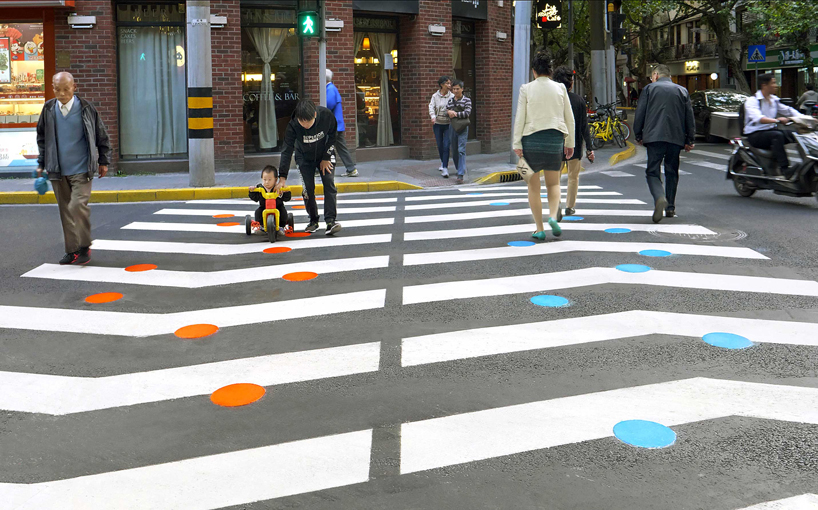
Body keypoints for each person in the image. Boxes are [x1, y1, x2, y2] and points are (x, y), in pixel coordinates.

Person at [36, 71, 110, 265]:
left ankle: (84, 246)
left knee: (77, 206)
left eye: (66, 89)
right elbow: (42, 138)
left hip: (82, 169)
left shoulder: (86, 108)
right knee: (65, 211)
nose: (61, 94)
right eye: (57, 89)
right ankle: (72, 251)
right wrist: (41, 163)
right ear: (53, 88)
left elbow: (101, 135)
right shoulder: (49, 109)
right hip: (57, 170)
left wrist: (103, 160)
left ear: (74, 88)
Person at [513, 50, 575, 241]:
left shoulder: (526, 89)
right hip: (554, 139)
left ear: (534, 71)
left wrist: (517, 142)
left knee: (533, 187)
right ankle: (552, 216)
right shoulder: (560, 89)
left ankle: (539, 228)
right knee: (554, 183)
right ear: (550, 70)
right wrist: (570, 142)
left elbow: (520, 117)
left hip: (531, 140)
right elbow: (569, 118)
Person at [634, 64, 695, 223]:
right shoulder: (682, 91)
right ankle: (670, 207)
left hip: (654, 138)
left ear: (655, 75)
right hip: (676, 138)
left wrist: (638, 134)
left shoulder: (649, 89)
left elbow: (640, 113)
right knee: (672, 171)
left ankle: (659, 197)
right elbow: (689, 116)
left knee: (652, 172)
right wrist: (690, 139)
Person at [275, 99, 341, 236]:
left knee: (329, 183)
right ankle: (313, 220)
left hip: (325, 154)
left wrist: (326, 158)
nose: (305, 125)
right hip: (304, 157)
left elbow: (333, 136)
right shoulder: (293, 125)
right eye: (302, 122)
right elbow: (286, 150)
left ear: (315, 115)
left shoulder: (326, 116)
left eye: (308, 122)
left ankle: (330, 221)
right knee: (307, 189)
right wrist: (282, 178)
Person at [552, 66, 594, 216]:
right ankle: (570, 207)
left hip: (555, 145)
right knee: (573, 177)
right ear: (571, 83)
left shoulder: (552, 100)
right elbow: (584, 126)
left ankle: (556, 204)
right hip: (574, 145)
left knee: (554, 178)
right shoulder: (578, 100)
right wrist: (589, 147)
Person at [743, 73, 805, 176]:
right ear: (764, 85)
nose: (776, 85)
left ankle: (806, 163)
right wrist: (776, 120)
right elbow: (758, 118)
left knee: (795, 134)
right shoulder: (752, 101)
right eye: (773, 83)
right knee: (777, 136)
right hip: (755, 135)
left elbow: (788, 110)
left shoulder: (773, 99)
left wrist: (805, 119)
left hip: (769, 132)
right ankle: (784, 169)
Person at [326, 69, 358, 177]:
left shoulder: (330, 89)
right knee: (341, 148)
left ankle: (319, 169)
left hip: (332, 125)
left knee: (322, 146)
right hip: (337, 124)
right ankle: (351, 169)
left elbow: (328, 104)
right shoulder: (332, 88)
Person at [248, 165, 292, 236]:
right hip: (264, 207)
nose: (267, 182)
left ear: (275, 179)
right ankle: (261, 227)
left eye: (269, 179)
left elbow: (287, 198)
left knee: (283, 212)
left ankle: (281, 227)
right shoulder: (260, 188)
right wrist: (252, 191)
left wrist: (285, 191)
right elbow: (254, 198)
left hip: (278, 207)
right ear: (262, 179)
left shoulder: (278, 188)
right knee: (258, 212)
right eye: (264, 179)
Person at [446, 80, 472, 185]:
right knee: (454, 150)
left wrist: (455, 114)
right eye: (454, 89)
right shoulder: (450, 100)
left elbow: (467, 113)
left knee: (461, 149)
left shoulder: (467, 100)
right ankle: (459, 169)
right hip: (452, 127)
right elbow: (446, 111)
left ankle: (460, 174)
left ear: (462, 89)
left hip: (463, 127)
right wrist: (449, 112)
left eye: (457, 89)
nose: (455, 91)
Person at [429, 76, 453, 178]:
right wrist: (433, 116)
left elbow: (454, 107)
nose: (449, 86)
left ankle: (445, 168)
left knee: (446, 145)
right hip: (438, 124)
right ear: (442, 85)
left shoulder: (451, 96)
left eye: (450, 83)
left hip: (448, 124)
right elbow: (431, 106)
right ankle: (443, 162)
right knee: (440, 145)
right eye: (447, 83)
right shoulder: (435, 96)